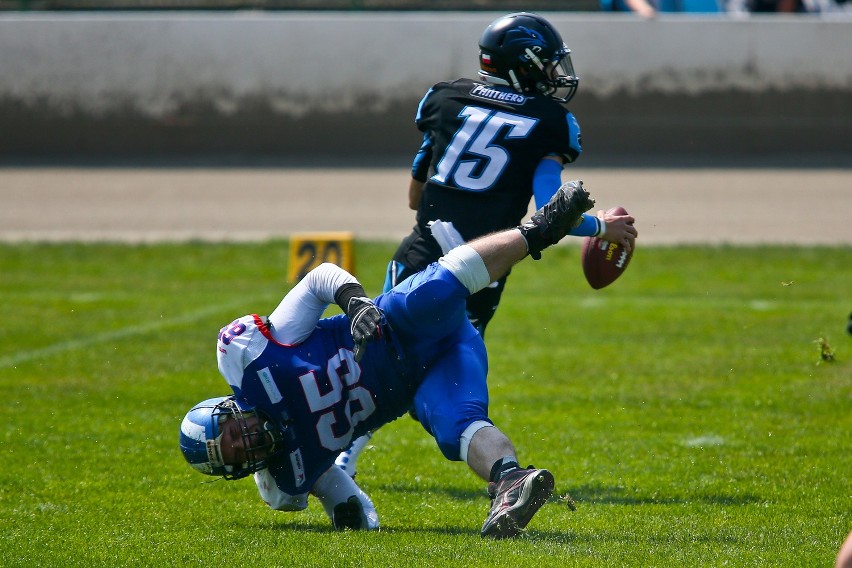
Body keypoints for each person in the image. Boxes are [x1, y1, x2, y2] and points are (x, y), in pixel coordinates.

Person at [179, 180, 626, 538]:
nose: (245, 441)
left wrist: (355, 304)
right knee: (458, 426)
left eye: (233, 432)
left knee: (430, 290)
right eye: (234, 453)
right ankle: (510, 481)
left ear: (230, 409)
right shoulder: (285, 483)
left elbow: (318, 279)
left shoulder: (249, 357)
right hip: (425, 376)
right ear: (235, 471)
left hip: (394, 327)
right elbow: (350, 503)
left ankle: (540, 231)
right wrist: (353, 523)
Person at [335, 11, 637, 478]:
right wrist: (601, 228)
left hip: (418, 256)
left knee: (389, 365)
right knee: (439, 380)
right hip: (479, 268)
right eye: (549, 63)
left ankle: (340, 453)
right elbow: (549, 214)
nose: (557, 74)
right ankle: (496, 471)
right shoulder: (549, 121)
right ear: (527, 63)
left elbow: (415, 195)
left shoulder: (446, 97)